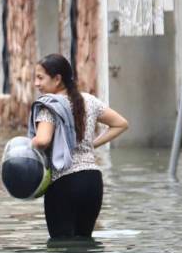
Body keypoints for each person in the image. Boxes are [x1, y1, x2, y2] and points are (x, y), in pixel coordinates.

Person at [30, 53, 129, 240]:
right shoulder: (89, 101)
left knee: (62, 251)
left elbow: (42, 141)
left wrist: (28, 145)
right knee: (84, 245)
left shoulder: (49, 106)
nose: (36, 83)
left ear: (57, 79)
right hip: (92, 182)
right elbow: (121, 123)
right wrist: (91, 145)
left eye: (40, 78)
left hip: (64, 184)